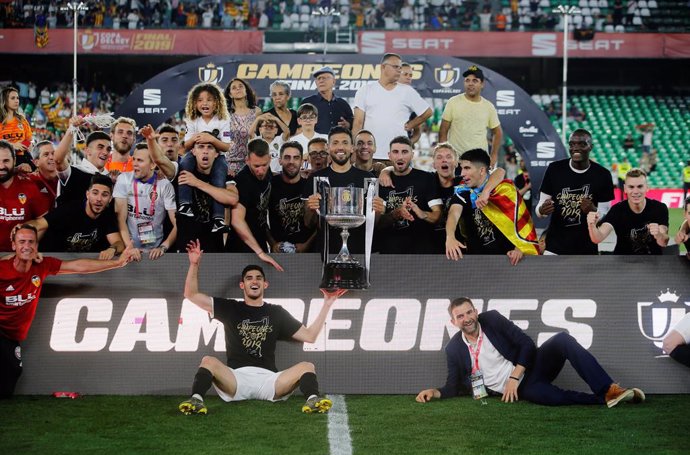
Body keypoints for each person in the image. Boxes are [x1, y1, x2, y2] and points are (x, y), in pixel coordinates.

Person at [177, 240, 346, 415]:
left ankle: (313, 400)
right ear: (242, 285)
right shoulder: (230, 308)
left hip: (269, 381)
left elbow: (310, 336)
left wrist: (328, 303)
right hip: (236, 379)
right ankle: (196, 400)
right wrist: (194, 264)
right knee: (208, 361)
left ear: (265, 285)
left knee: (307, 366)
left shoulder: (276, 312)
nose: (254, 281)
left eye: (258, 278)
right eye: (249, 278)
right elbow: (191, 294)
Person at [415, 298, 645, 407]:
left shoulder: (492, 319)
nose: (467, 319)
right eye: (460, 316)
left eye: (469, 312)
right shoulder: (453, 348)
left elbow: (526, 343)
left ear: (476, 311)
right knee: (552, 398)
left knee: (562, 339)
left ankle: (609, 389)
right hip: (523, 389)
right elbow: (452, 385)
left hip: (529, 368)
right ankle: (604, 400)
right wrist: (433, 392)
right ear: (453, 322)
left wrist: (514, 376)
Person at [0, 223, 136, 398]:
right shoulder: (3, 269)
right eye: (22, 242)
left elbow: (78, 266)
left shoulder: (42, 266)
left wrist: (117, 263)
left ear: (36, 245)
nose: (26, 246)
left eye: (31, 242)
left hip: (12, 336)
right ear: (13, 245)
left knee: (11, 375)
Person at [144, 125, 237, 253]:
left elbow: (232, 199)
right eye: (200, 146)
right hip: (186, 246)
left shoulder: (224, 175)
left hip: (214, 248)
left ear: (216, 154)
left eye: (210, 147)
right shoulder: (181, 170)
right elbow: (160, 160)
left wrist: (197, 183)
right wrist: (150, 140)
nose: (205, 151)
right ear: (193, 151)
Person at [446, 149, 539, 265]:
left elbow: (522, 222)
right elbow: (453, 214)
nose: (462, 173)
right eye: (462, 168)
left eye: (467, 168)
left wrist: (519, 248)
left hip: (507, 261)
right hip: (477, 263)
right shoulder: (462, 191)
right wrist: (450, 237)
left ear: (481, 170)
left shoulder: (504, 190)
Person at [302, 126, 385, 256]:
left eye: (345, 143)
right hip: (327, 253)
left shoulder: (368, 178)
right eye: (335, 143)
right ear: (328, 148)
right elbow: (308, 223)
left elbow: (374, 224)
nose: (340, 147)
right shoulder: (316, 179)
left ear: (352, 147)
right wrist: (311, 209)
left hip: (359, 252)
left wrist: (378, 211)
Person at [536, 129, 615, 255]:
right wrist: (541, 210)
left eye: (582, 144)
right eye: (572, 144)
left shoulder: (603, 175)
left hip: (586, 247)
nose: (576, 148)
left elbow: (606, 215)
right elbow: (540, 208)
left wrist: (594, 211)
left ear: (591, 147)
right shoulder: (554, 169)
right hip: (555, 245)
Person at [352, 53, 432, 161]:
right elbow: (357, 123)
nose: (399, 70)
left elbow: (427, 112)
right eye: (395, 67)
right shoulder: (365, 90)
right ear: (383, 67)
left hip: (397, 157)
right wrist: (354, 152)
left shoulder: (407, 91)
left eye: (400, 68)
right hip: (369, 155)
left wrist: (411, 125)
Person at [29, 174, 125, 258]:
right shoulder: (69, 210)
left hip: (81, 264)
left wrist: (112, 249)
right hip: (53, 258)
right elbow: (39, 223)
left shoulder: (107, 215)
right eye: (95, 193)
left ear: (110, 199)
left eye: (104, 195)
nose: (99, 199)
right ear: (87, 194)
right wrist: (23, 228)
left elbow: (119, 243)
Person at [179, 82, 232, 233]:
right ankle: (185, 203)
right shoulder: (192, 120)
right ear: (195, 103)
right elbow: (186, 146)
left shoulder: (223, 120)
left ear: (217, 102)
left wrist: (212, 140)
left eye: (209, 99)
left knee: (219, 177)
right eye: (200, 100)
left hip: (217, 156)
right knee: (184, 163)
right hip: (194, 153)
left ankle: (218, 218)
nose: (205, 103)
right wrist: (197, 138)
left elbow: (227, 146)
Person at [376, 136, 441, 254]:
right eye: (395, 152)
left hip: (422, 250)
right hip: (390, 251)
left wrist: (422, 214)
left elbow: (437, 215)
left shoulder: (426, 178)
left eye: (405, 152)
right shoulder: (382, 183)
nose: (400, 156)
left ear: (412, 154)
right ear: (389, 155)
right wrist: (396, 213)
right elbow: (378, 224)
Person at [226, 138, 283, 271]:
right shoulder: (243, 181)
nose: (261, 170)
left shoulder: (268, 174)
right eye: (256, 166)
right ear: (247, 161)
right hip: (240, 245)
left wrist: (271, 242)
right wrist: (260, 252)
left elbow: (260, 213)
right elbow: (237, 220)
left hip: (259, 239)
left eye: (264, 165)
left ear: (269, 159)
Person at [114, 142, 177, 260]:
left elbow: (177, 223)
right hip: (130, 250)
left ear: (153, 164)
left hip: (156, 252)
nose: (134, 164)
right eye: (134, 159)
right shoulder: (124, 179)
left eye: (140, 161)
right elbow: (120, 219)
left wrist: (163, 247)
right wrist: (130, 247)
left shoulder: (164, 185)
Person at [587, 168, 668, 254]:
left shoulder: (659, 208)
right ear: (625, 188)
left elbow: (664, 242)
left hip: (652, 263)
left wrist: (658, 234)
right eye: (631, 187)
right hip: (623, 263)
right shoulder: (617, 210)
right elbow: (597, 239)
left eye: (640, 186)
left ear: (647, 188)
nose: (635, 191)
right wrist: (591, 225)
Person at [438, 65, 503, 167]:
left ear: (482, 84)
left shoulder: (488, 107)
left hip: (479, 161)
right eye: (467, 80)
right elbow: (443, 130)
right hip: (457, 162)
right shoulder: (453, 102)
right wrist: (445, 155)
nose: (470, 84)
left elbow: (498, 132)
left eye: (475, 81)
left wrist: (494, 155)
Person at [267, 141, 316, 253]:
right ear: (280, 160)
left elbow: (320, 224)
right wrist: (272, 243)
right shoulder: (270, 185)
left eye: (296, 158)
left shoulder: (310, 186)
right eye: (287, 157)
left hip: (306, 251)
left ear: (302, 161)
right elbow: (260, 219)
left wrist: (306, 245)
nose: (291, 162)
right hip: (278, 250)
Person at [0, 140, 45, 252]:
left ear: (14, 161)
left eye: (6, 161)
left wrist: (29, 247)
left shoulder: (28, 185)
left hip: (20, 258)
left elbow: (44, 221)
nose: (1, 166)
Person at [56, 129, 112, 205]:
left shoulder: (110, 178)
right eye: (100, 147)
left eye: (108, 149)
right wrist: (71, 129)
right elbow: (58, 160)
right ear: (87, 150)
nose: (105, 152)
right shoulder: (73, 172)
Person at [225, 78, 262, 176]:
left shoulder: (257, 111)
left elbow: (259, 137)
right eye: (234, 88)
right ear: (230, 94)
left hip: (250, 163)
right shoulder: (225, 114)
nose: (238, 89)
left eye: (241, 86)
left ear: (246, 90)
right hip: (229, 162)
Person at [300, 66, 354, 135]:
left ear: (333, 81)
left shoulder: (343, 104)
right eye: (318, 78)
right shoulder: (307, 103)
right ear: (316, 83)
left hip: (337, 144)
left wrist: (348, 125)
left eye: (325, 78)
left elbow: (352, 121)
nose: (321, 81)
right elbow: (299, 125)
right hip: (314, 143)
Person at [0, 86, 33, 171]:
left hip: (22, 158)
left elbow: (30, 140)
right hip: (4, 161)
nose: (16, 100)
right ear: (5, 100)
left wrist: (27, 145)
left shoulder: (22, 120)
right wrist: (12, 146)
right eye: (13, 98)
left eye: (17, 98)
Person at [28, 140, 59, 215]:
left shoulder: (66, 178)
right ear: (36, 162)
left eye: (53, 153)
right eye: (46, 154)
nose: (51, 157)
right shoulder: (29, 180)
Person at [398, 62, 422, 145]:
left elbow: (417, 131)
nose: (408, 77)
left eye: (410, 75)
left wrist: (409, 143)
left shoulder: (412, 100)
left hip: (401, 147)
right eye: (405, 74)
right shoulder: (382, 95)